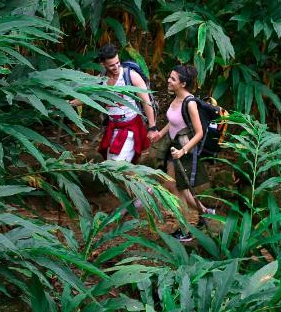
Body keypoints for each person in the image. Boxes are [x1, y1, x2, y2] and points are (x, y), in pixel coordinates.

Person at [149, 64, 215, 242]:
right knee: (177, 189)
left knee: (178, 190)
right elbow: (173, 122)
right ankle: (206, 213)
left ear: (183, 83)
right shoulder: (176, 98)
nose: (168, 81)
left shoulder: (190, 102)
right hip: (174, 148)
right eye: (170, 77)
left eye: (173, 79)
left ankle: (185, 229)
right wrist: (159, 134)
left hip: (184, 151)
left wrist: (183, 151)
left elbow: (199, 132)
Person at [71, 44, 159, 163]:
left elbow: (146, 102)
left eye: (118, 62)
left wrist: (152, 127)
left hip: (130, 127)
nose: (117, 67)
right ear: (103, 64)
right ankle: (134, 179)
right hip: (113, 127)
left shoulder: (131, 76)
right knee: (118, 163)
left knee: (115, 163)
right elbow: (88, 97)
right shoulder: (102, 80)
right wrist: (69, 104)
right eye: (112, 65)